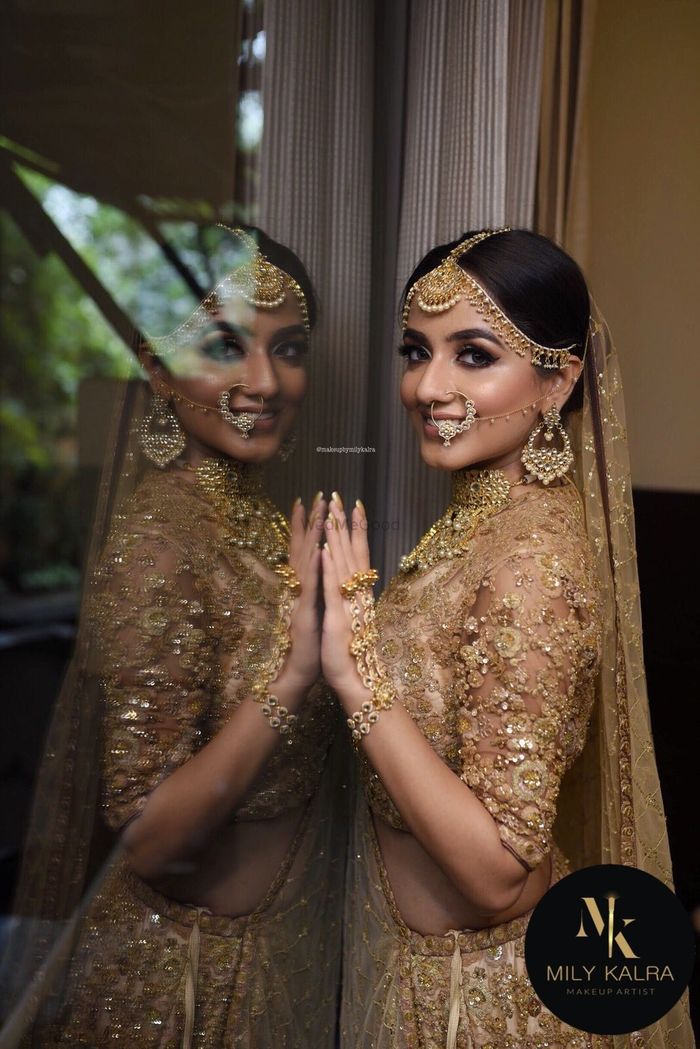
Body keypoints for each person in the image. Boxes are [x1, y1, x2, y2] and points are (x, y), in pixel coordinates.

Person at [320, 228, 695, 1048]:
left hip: (480, 1008)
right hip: (426, 983)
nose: (429, 385)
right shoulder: (472, 531)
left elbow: (498, 876)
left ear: (558, 380)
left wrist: (355, 676)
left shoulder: (530, 565)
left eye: (475, 355)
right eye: (416, 350)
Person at [1, 225, 347, 1048]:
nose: (265, 381)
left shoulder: (259, 525)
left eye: (288, 347)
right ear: (156, 369)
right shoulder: (159, 542)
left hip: (271, 965)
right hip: (186, 991)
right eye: (226, 345)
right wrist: (295, 674)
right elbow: (151, 838)